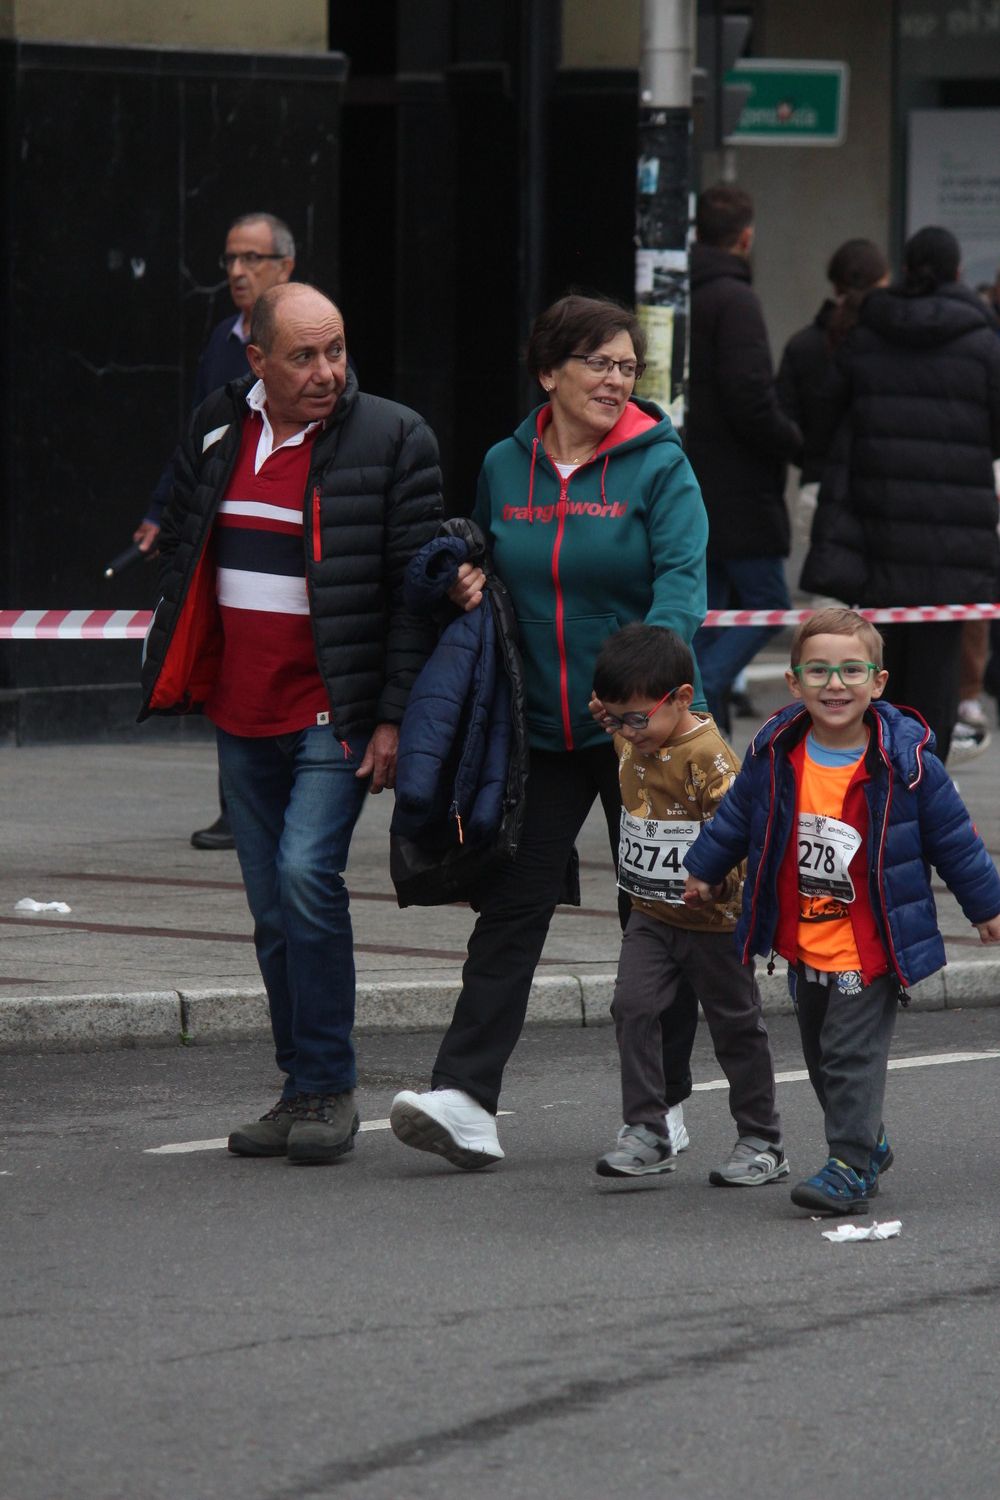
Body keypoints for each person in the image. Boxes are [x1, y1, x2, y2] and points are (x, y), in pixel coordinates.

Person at [389, 291, 709, 1171]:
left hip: (649, 734)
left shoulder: (659, 465)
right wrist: (464, 580)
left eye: (626, 366)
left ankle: (664, 1104)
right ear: (549, 374)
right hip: (538, 731)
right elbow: (490, 567)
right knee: (509, 909)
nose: (617, 379)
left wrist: (646, 696)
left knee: (655, 918)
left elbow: (682, 583)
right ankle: (463, 1099)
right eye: (599, 364)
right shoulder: (505, 463)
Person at [139, 283, 442, 1164]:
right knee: (272, 910)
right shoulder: (216, 427)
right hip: (243, 708)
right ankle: (299, 1087)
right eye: (303, 356)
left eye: (336, 351)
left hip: (331, 711)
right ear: (256, 362)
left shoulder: (392, 436)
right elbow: (190, 558)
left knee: (309, 877)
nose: (325, 372)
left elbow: (414, 595)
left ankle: (331, 1088)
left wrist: (391, 718)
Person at [682, 608, 1000, 1215]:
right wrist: (703, 868)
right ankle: (868, 1143)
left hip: (871, 942)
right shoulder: (775, 754)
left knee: (852, 1058)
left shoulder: (905, 766)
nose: (836, 684)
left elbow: (955, 840)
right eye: (820, 670)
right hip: (803, 941)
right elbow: (737, 818)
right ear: (794, 683)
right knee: (824, 1060)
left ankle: (848, 1165)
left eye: (852, 670)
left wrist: (987, 906)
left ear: (878, 682)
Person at [588, 624, 785, 1185]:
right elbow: (619, 716)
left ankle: (762, 1140)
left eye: (636, 718)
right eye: (615, 717)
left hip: (714, 924)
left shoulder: (710, 760)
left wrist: (717, 883)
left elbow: (744, 835)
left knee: (736, 1028)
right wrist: (616, 714)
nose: (627, 732)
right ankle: (649, 1129)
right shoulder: (635, 732)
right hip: (652, 916)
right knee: (632, 1006)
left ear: (679, 698)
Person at [808, 226, 1000, 764]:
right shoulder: (984, 342)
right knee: (939, 670)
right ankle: (923, 780)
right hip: (953, 535)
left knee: (879, 660)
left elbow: (825, 414)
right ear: (959, 273)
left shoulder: (868, 333)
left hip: (879, 525)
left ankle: (880, 778)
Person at [136, 212, 296, 850]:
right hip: (224, 526)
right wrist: (159, 509)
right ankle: (238, 806)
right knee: (228, 657)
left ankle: (287, 796)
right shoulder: (223, 341)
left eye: (253, 258)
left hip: (284, 525)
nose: (237, 272)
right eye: (231, 258)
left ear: (285, 265)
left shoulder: (309, 334)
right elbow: (195, 439)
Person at [686, 183, 803, 734]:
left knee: (711, 610)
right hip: (738, 481)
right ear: (746, 237)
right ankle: (698, 693)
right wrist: (793, 440)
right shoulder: (735, 300)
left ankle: (704, 737)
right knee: (768, 602)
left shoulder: (677, 288)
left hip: (696, 477)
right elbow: (750, 395)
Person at [776, 238, 889, 544]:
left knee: (827, 590)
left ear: (835, 285)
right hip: (885, 490)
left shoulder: (803, 346)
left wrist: (812, 457)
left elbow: (785, 421)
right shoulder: (891, 345)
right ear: (883, 281)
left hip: (818, 486)